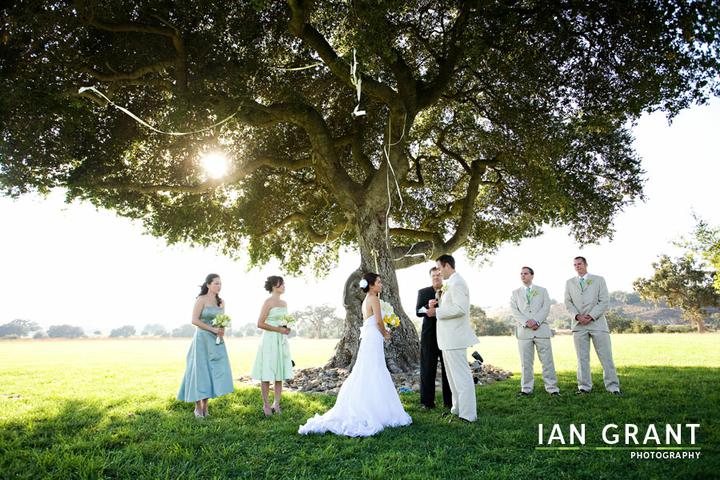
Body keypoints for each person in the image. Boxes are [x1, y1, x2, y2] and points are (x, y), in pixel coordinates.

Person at [298, 272, 412, 436]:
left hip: (369, 337)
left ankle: (371, 404)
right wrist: (385, 334)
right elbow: (378, 321)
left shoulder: (366, 300)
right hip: (374, 336)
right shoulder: (374, 299)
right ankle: (376, 409)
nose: (381, 285)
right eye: (378, 282)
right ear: (371, 285)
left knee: (369, 369)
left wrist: (382, 330)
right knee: (375, 369)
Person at [426, 255, 479, 423]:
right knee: (452, 378)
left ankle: (468, 415)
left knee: (462, 377)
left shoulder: (458, 283)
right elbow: (450, 306)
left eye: (439, 268)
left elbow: (460, 309)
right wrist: (437, 304)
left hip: (455, 338)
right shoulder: (450, 283)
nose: (438, 272)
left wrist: (437, 312)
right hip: (447, 339)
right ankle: (457, 409)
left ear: (447, 266)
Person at [177, 273, 234, 418]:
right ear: (208, 285)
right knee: (199, 372)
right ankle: (197, 408)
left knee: (211, 372)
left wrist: (221, 330)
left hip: (215, 340)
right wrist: (212, 329)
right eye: (216, 283)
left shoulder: (221, 302)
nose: (219, 286)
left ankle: (205, 408)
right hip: (201, 339)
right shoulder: (201, 300)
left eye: (220, 283)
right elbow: (194, 320)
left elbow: (222, 320)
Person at [564, 256, 621, 395]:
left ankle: (613, 387)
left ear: (586, 264)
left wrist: (590, 316)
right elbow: (568, 303)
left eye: (579, 264)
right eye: (575, 265)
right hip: (578, 325)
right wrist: (577, 316)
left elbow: (604, 301)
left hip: (597, 323)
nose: (577, 266)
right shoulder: (569, 283)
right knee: (582, 358)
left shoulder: (599, 280)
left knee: (606, 356)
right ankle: (584, 387)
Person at [510, 266, 559, 396]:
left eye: (526, 273)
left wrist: (536, 321)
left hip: (541, 330)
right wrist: (527, 322)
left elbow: (546, 307)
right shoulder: (515, 293)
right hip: (524, 333)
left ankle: (552, 389)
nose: (523, 275)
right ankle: (526, 389)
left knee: (547, 362)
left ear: (532, 275)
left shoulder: (542, 291)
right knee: (526, 363)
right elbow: (514, 311)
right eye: (521, 273)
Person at [251, 276, 294, 416]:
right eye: (282, 284)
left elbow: (284, 321)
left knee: (279, 373)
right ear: (275, 286)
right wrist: (278, 329)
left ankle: (276, 403)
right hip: (269, 340)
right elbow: (260, 323)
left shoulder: (284, 303)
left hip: (281, 340)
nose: (284, 286)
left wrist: (286, 328)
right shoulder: (268, 302)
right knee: (267, 371)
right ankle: (266, 405)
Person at [415, 266, 452, 410]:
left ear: (443, 276)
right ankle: (427, 403)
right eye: (434, 276)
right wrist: (427, 306)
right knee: (427, 369)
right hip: (429, 336)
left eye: (439, 275)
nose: (436, 277)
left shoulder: (449, 290)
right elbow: (418, 311)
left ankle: (449, 402)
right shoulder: (423, 292)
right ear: (431, 277)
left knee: (448, 369)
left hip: (447, 335)